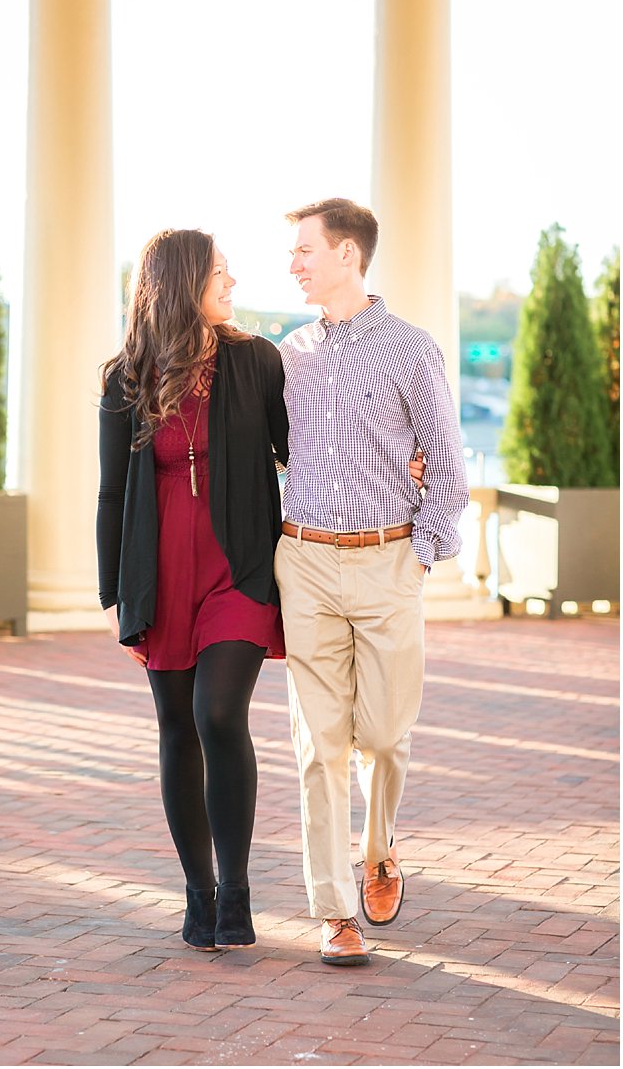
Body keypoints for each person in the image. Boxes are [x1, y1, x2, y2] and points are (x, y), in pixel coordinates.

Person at [277, 198, 468, 967]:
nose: (293, 263)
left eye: (304, 250)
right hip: (308, 563)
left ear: (349, 255)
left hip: (391, 560)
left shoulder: (413, 350)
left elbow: (448, 468)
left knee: (385, 734)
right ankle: (334, 907)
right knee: (318, 746)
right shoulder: (284, 356)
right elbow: (270, 454)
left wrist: (419, 552)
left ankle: (380, 847)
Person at [96, 228, 290, 951]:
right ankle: (198, 894)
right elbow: (112, 495)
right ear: (183, 282)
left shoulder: (255, 362)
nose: (232, 280)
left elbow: (302, 450)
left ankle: (236, 891)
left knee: (217, 713)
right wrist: (115, 597)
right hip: (159, 576)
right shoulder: (126, 378)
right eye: (219, 270)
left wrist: (401, 461)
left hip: (237, 566)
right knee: (177, 728)